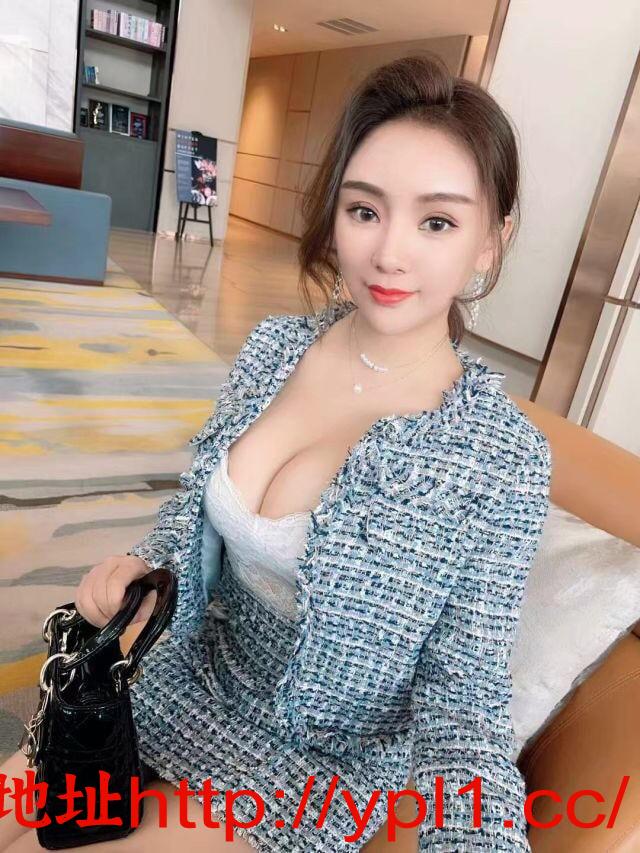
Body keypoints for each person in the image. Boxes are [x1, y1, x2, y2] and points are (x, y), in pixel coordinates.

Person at [0, 53, 552, 852]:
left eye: (437, 222)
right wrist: (141, 566)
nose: (389, 252)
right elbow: (193, 513)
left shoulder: (501, 458)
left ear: (491, 243)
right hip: (177, 674)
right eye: (364, 210)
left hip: (308, 764)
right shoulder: (273, 348)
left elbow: (463, 703)